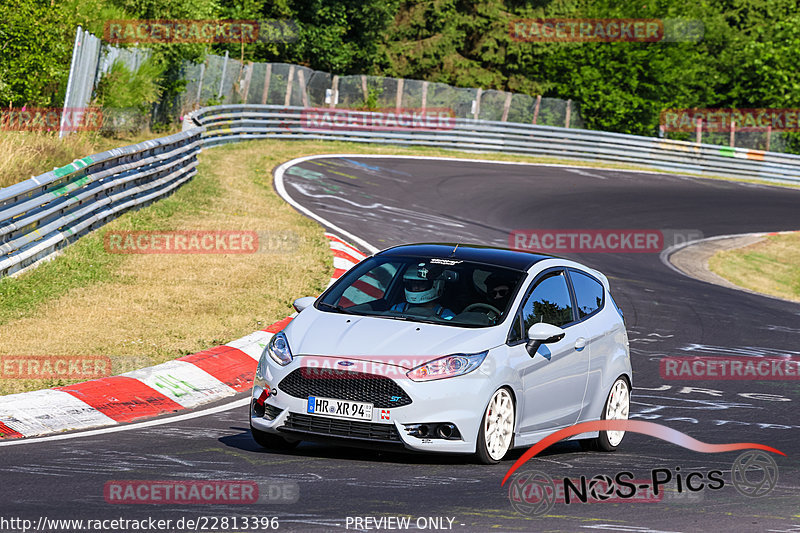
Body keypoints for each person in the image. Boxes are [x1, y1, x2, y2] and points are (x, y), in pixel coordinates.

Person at [390, 263, 455, 320]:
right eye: (412, 283)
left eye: (421, 284)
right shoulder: (398, 309)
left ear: (437, 285)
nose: (416, 287)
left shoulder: (447, 316)